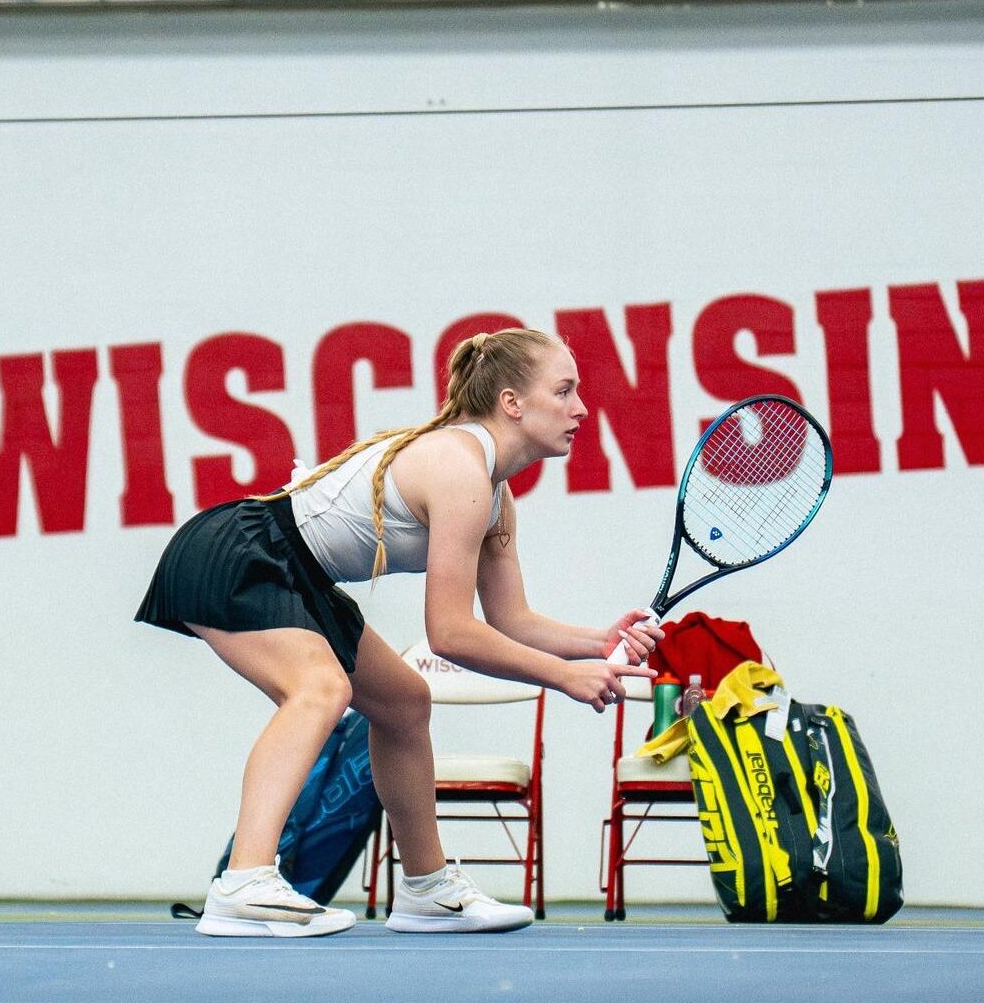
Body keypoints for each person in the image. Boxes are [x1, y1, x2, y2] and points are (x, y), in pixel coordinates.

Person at [137, 327, 660, 937]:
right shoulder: (459, 470)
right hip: (241, 552)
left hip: (299, 573)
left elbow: (510, 619)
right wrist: (565, 676)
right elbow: (451, 634)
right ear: (512, 402)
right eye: (564, 391)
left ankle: (426, 890)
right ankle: (244, 883)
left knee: (404, 703)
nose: (581, 408)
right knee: (320, 690)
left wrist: (597, 642)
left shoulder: (494, 493)